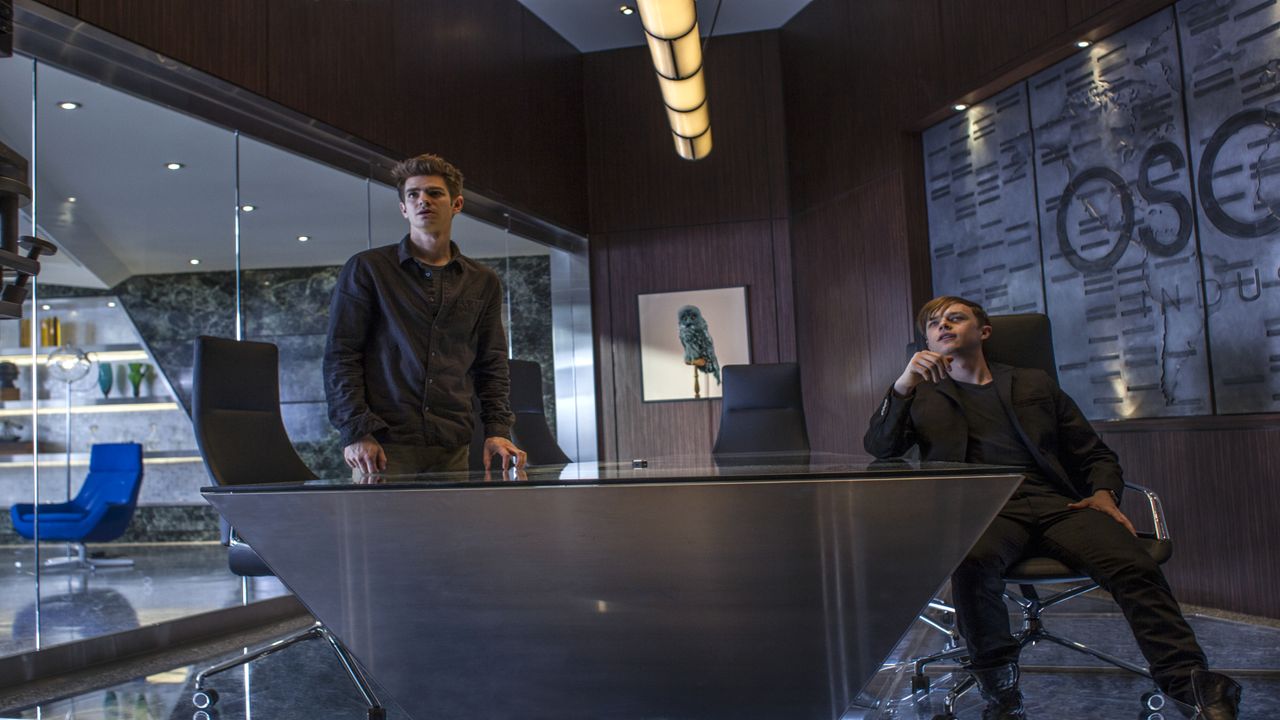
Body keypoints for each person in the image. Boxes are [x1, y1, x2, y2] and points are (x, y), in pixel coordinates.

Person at [863, 296, 1240, 720]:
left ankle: (1192, 685)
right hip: (983, 508)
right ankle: (1000, 692)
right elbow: (880, 447)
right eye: (933, 324)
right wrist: (903, 386)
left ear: (983, 331)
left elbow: (1093, 452)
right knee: (971, 562)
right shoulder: (919, 394)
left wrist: (1104, 493)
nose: (943, 326)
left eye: (955, 317)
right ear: (927, 342)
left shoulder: (1033, 383)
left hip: (1057, 503)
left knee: (1132, 562)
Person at [324, 152, 525, 477]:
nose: (423, 201)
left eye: (434, 193)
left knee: (456, 516)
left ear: (457, 204)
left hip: (452, 444)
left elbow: (492, 362)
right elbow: (341, 355)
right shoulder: (368, 270)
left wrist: (497, 429)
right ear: (403, 208)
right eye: (413, 194)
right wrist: (356, 431)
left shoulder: (482, 281)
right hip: (382, 446)